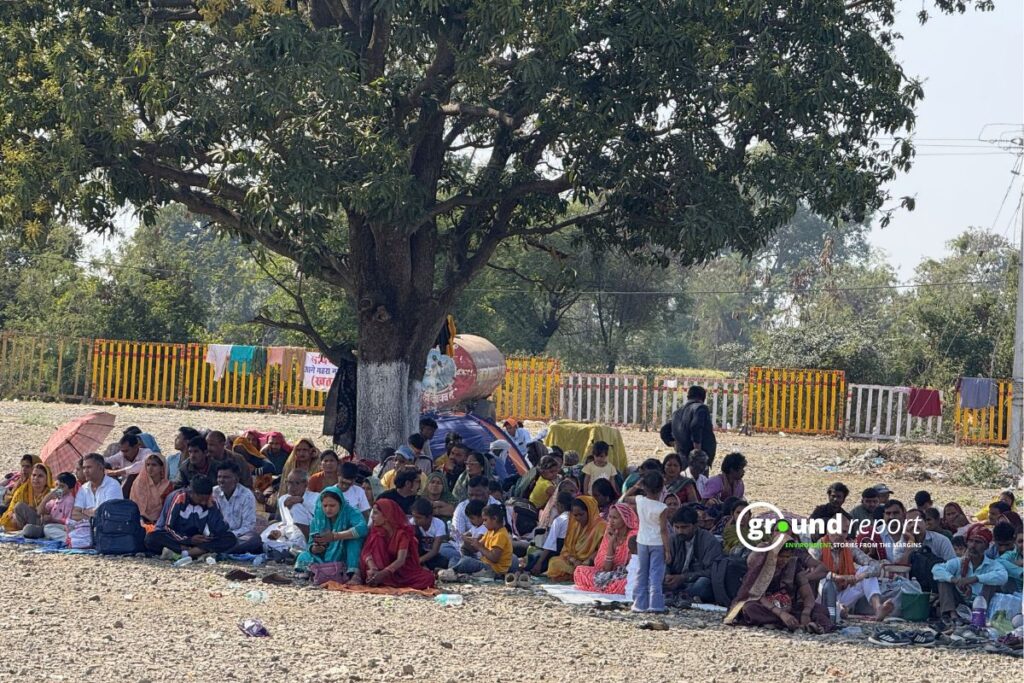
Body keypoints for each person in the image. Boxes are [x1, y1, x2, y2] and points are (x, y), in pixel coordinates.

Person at [724, 534, 831, 633]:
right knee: (749, 609)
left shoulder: (794, 565)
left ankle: (789, 623)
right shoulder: (764, 565)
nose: (784, 560)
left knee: (820, 609)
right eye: (781, 556)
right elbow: (758, 595)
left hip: (789, 606)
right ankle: (792, 623)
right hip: (767, 606)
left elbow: (807, 594)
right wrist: (781, 614)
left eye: (787, 557)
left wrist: (806, 613)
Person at [811, 522, 893, 621]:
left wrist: (858, 577)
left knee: (867, 571)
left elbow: (875, 566)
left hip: (843, 592)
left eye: (843, 531)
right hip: (822, 597)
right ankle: (839, 609)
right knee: (824, 579)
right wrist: (839, 577)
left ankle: (878, 608)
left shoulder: (849, 547)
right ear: (828, 531)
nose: (839, 534)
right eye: (835, 530)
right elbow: (812, 571)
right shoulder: (817, 547)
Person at [145, 475, 237, 560]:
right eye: (201, 499)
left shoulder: (211, 501)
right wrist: (189, 540)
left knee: (230, 538)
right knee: (151, 538)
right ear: (192, 493)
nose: (204, 503)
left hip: (197, 540)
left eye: (206, 499)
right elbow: (168, 527)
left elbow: (220, 530)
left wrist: (212, 508)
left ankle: (186, 553)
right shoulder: (178, 497)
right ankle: (197, 552)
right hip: (176, 537)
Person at [932, 524, 1008, 625]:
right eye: (971, 541)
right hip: (960, 602)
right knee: (943, 581)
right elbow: (936, 569)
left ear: (986, 546)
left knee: (991, 582)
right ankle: (952, 616)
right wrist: (955, 580)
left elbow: (1003, 576)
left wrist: (975, 578)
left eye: (978, 542)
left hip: (982, 605)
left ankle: (980, 618)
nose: (973, 545)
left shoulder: (992, 565)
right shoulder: (959, 562)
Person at [352, 499, 435, 589]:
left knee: (429, 578)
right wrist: (373, 568)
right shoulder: (376, 532)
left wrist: (384, 573)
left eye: (375, 513)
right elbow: (366, 552)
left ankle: (384, 581)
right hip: (378, 569)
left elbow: (401, 560)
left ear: (387, 515)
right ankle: (378, 579)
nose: (372, 517)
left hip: (399, 570)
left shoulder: (402, 534)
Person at [294, 486, 368, 578]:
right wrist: (314, 548)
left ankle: (352, 573)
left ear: (340, 504)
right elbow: (310, 543)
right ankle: (317, 570)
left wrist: (335, 536)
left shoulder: (351, 512)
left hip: (344, 552)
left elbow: (363, 528)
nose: (328, 509)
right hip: (324, 555)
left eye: (332, 505)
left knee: (354, 542)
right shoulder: (317, 519)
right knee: (303, 555)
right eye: (325, 506)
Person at [573, 503, 638, 594]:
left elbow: (631, 567)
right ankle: (607, 586)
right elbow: (606, 568)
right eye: (610, 517)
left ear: (625, 519)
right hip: (609, 574)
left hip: (626, 574)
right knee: (580, 571)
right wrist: (611, 542)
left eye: (615, 518)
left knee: (626, 583)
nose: (610, 521)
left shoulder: (633, 536)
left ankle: (606, 585)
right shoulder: (609, 533)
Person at [665, 505, 723, 604]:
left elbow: (711, 571)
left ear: (695, 526)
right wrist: (667, 576)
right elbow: (665, 562)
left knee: (703, 584)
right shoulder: (673, 539)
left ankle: (678, 595)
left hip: (694, 582)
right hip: (675, 581)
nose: (680, 531)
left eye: (684, 527)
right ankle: (679, 595)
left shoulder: (709, 541)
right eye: (677, 527)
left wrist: (683, 578)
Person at [632, 471, 671, 613]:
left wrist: (636, 487)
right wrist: (667, 550)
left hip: (642, 540)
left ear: (644, 487)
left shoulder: (640, 500)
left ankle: (639, 604)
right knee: (656, 574)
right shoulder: (662, 508)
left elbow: (623, 498)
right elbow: (663, 530)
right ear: (662, 488)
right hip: (657, 543)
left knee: (642, 572)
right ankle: (655, 604)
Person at [68, 453, 124, 548]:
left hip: (108, 527)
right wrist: (91, 518)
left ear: (100, 467)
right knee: (67, 524)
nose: (85, 471)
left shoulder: (113, 485)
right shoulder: (84, 488)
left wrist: (85, 512)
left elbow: (107, 514)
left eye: (89, 467)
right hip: (88, 526)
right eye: (84, 468)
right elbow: (74, 513)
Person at [546, 496, 607, 582]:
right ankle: (575, 575)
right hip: (574, 562)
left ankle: (576, 575)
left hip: (589, 563)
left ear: (590, 511)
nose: (578, 518)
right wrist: (573, 560)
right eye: (575, 515)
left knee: (586, 570)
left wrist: (588, 561)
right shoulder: (575, 525)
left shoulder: (601, 527)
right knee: (554, 562)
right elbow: (566, 548)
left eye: (581, 514)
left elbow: (602, 550)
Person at [261, 469, 319, 557]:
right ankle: (287, 551)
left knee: (296, 507)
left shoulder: (316, 497)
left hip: (309, 535)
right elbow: (286, 523)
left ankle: (302, 549)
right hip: (290, 535)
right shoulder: (283, 499)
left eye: (297, 483)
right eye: (289, 483)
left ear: (305, 484)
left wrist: (302, 501)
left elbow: (318, 516)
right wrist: (279, 532)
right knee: (264, 537)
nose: (292, 487)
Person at [450, 504, 515, 578]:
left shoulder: (501, 534)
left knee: (466, 562)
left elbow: (494, 558)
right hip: (485, 563)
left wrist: (479, 547)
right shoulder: (490, 531)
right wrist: (466, 541)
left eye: (485, 520)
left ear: (494, 519)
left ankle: (452, 571)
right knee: (455, 558)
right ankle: (453, 569)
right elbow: (477, 546)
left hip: (494, 570)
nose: (483, 523)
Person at [213, 462, 261, 554]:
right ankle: (220, 550)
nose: (221, 480)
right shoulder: (213, 492)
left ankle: (220, 552)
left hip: (237, 537)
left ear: (236, 479)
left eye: (226, 477)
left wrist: (229, 536)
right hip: (217, 536)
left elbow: (248, 526)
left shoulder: (247, 495)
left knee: (254, 539)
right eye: (219, 477)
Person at [21, 472, 77, 540]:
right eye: (57, 485)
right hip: (46, 525)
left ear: (70, 489)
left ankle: (69, 540)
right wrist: (46, 499)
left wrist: (52, 520)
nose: (57, 489)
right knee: (20, 507)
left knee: (36, 529)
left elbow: (69, 523)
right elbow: (39, 512)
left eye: (62, 486)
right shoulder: (56, 497)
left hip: (59, 528)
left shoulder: (69, 501)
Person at [529, 490, 574, 576]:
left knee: (533, 561)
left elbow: (550, 544)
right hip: (570, 553)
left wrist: (539, 563)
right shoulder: (574, 518)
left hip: (558, 552)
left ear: (560, 505)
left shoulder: (559, 520)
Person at [671, 385, 717, 466]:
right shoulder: (700, 408)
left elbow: (664, 430)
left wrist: (674, 443)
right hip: (696, 459)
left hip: (682, 456)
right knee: (699, 478)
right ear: (703, 398)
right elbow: (696, 426)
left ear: (688, 397)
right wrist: (697, 451)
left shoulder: (677, 412)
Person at [0, 462, 53, 532]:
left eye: (40, 476)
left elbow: (51, 514)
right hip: (20, 521)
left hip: (41, 523)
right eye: (34, 475)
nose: (36, 478)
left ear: (47, 479)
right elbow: (12, 508)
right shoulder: (23, 490)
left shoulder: (51, 493)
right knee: (18, 507)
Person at [411, 497, 456, 570]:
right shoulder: (412, 523)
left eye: (419, 518)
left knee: (443, 562)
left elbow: (434, 551)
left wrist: (419, 561)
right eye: (414, 517)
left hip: (431, 555)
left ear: (429, 517)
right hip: (416, 553)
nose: (415, 520)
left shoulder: (439, 524)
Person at [130, 452, 173, 524]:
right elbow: (136, 506)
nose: (150, 468)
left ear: (162, 467)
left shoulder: (167, 486)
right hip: (138, 519)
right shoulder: (139, 483)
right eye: (148, 465)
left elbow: (167, 509)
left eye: (154, 465)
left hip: (160, 522)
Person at [994, 524, 1022, 592]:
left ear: (1014, 540)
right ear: (994, 540)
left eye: (1007, 544)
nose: (1003, 549)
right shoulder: (989, 552)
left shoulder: (1018, 552)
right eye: (1000, 545)